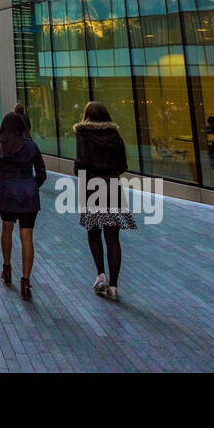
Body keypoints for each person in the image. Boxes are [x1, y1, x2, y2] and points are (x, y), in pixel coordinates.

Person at [73, 101, 135, 300]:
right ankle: (114, 286)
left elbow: (82, 162)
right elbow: (123, 164)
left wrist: (78, 170)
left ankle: (101, 277)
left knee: (93, 233)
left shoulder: (83, 134)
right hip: (112, 188)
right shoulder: (114, 135)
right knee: (113, 238)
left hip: (92, 187)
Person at [0, 112, 47, 301]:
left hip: (7, 191)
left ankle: (6, 270)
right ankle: (26, 282)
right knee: (27, 237)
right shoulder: (31, 146)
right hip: (28, 194)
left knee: (6, 229)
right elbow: (41, 173)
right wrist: (31, 185)